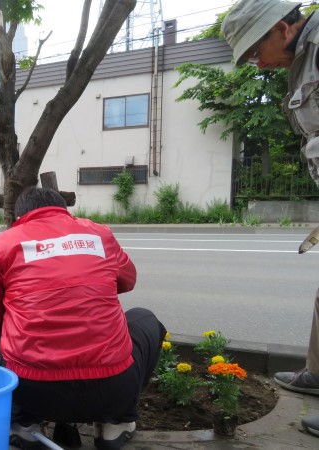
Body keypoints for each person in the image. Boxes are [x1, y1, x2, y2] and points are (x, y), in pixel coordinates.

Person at [0, 187, 166, 450]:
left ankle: (23, 425)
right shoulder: (99, 234)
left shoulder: (4, 243)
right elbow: (127, 280)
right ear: (63, 209)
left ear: (19, 216)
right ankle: (115, 423)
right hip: (112, 387)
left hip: (33, 391)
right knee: (145, 319)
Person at [222, 0, 319, 437]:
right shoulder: (304, 58)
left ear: (281, 28)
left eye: (255, 52)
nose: (257, 65)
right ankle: (317, 374)